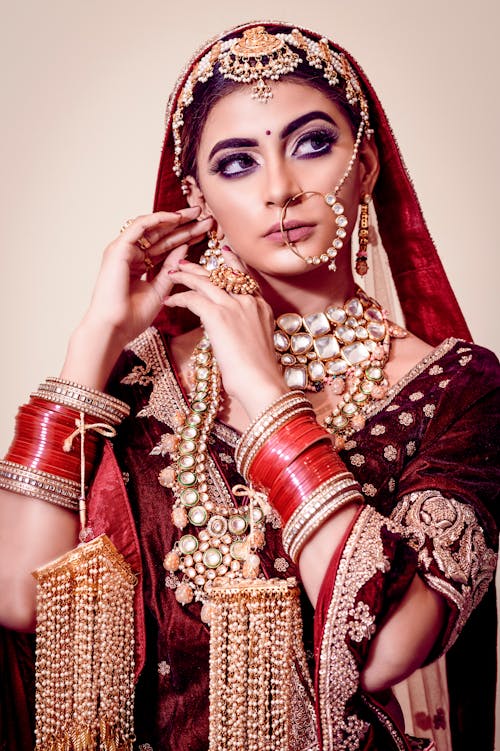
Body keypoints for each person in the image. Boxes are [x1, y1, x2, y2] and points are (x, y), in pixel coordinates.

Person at [0, 20, 498, 751]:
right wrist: (94, 339)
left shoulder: (458, 385)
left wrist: (268, 398)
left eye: (313, 144)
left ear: (364, 170)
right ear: (197, 199)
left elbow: (392, 644)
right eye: (237, 162)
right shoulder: (139, 376)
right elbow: (21, 593)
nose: (279, 189)